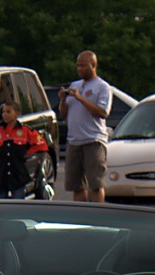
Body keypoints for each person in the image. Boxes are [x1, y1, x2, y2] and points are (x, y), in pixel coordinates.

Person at [58, 50, 111, 203]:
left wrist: (81, 98)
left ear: (93, 65)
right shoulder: (75, 85)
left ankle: (98, 217)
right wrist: (63, 100)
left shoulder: (102, 87)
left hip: (93, 140)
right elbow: (64, 114)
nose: (79, 69)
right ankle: (81, 218)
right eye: (78, 66)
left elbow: (103, 112)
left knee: (95, 184)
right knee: (77, 185)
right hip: (74, 141)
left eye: (83, 66)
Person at [0, 101, 49, 198]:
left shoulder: (25, 130)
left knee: (18, 203)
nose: (5, 115)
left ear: (17, 113)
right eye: (3, 112)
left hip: (18, 175)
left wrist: (28, 153)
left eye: (8, 112)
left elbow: (42, 144)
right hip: (1, 176)